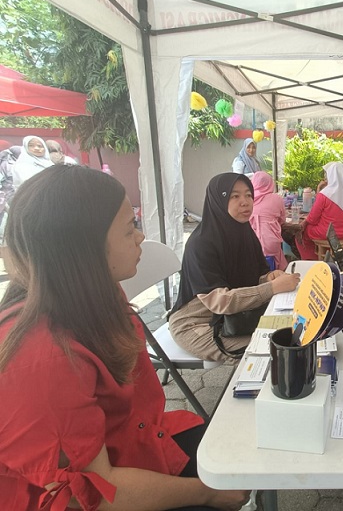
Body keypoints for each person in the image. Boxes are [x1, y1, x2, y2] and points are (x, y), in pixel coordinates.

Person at [0, 165, 251, 510]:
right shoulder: (43, 358)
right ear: (84, 251)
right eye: (129, 227)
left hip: (138, 438)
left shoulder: (98, 290)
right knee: (227, 482)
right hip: (101, 493)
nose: (140, 237)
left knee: (239, 450)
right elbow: (96, 494)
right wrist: (207, 492)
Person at [169, 172, 300, 362]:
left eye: (248, 195)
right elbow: (219, 301)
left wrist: (268, 278)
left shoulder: (244, 232)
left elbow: (251, 277)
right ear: (218, 201)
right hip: (198, 323)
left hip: (234, 317)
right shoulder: (201, 244)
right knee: (271, 350)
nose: (245, 202)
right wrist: (271, 288)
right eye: (234, 196)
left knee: (292, 332)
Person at [296, 161, 343, 260]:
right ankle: (326, 256)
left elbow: (313, 219)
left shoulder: (325, 195)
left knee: (300, 234)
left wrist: (305, 222)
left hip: (327, 233)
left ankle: (313, 260)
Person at [250, 171, 288, 271]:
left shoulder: (249, 199)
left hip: (251, 242)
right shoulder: (276, 198)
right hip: (271, 242)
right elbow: (282, 220)